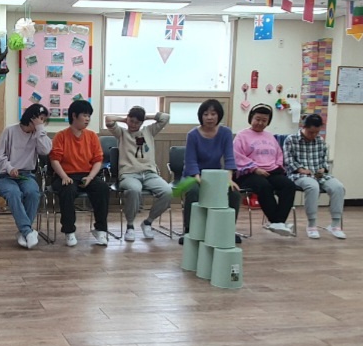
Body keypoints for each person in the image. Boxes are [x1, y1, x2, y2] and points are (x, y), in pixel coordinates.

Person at [106, 107, 172, 241]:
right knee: (134, 190)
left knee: (167, 192)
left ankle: (148, 222)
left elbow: (165, 117)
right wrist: (124, 119)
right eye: (131, 121)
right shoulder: (121, 133)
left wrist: (146, 117)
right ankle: (130, 226)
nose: (133, 125)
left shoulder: (149, 131)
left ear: (142, 123)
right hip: (129, 174)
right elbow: (108, 120)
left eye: (137, 122)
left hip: (149, 174)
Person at [49, 100, 109, 247]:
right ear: (74, 116)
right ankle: (69, 231)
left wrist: (90, 177)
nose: (87, 119)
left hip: (87, 174)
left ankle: (100, 230)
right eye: (84, 115)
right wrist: (64, 176)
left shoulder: (92, 136)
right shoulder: (61, 136)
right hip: (66, 175)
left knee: (102, 188)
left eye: (89, 116)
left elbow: (98, 160)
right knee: (67, 190)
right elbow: (54, 160)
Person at [181, 99, 241, 245]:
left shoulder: (225, 133)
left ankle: (228, 230)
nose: (209, 117)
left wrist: (229, 179)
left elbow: (229, 158)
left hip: (216, 176)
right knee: (194, 191)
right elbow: (190, 161)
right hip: (193, 175)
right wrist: (199, 178)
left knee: (234, 192)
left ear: (218, 115)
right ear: (200, 116)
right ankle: (189, 230)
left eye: (213, 114)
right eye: (206, 114)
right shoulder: (193, 135)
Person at [0, 103, 51, 249]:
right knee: (13, 193)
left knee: (33, 192)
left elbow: (46, 150)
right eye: (40, 119)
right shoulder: (10, 131)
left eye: (43, 121)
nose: (41, 123)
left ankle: (24, 232)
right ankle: (27, 231)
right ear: (31, 118)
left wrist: (40, 129)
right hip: (5, 176)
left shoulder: (38, 134)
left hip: (26, 175)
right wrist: (10, 168)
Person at [233, 104, 297, 236]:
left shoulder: (269, 136)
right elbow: (237, 156)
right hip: (248, 173)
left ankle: (278, 221)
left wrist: (277, 165)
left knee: (289, 185)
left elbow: (279, 154)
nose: (260, 123)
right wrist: (254, 168)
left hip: (271, 170)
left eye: (264, 120)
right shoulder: (241, 136)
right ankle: (276, 222)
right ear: (251, 118)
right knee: (264, 185)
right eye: (257, 119)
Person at [283, 114, 347, 239]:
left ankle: (335, 224)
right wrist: (301, 169)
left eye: (317, 132)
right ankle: (312, 225)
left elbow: (324, 159)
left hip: (319, 175)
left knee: (338, 187)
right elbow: (288, 160)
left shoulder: (320, 140)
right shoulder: (291, 139)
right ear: (304, 127)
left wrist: (323, 168)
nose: (314, 135)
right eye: (311, 132)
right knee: (313, 187)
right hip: (298, 175)